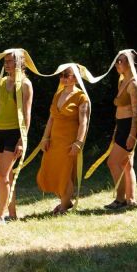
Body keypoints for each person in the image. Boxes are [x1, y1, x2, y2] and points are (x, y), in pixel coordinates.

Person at [0, 50, 34, 226]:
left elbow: (27, 114)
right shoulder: (3, 81)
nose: (6, 64)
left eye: (10, 61)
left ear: (20, 62)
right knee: (7, 176)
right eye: (5, 61)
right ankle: (12, 214)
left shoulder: (26, 84)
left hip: (14, 133)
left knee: (2, 174)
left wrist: (22, 140)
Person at [36, 65, 90, 214]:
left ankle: (64, 205)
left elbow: (83, 122)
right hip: (54, 141)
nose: (63, 78)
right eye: (61, 75)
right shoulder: (57, 95)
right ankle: (66, 202)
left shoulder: (81, 97)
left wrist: (78, 142)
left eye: (67, 75)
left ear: (76, 78)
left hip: (69, 141)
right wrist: (45, 138)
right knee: (53, 172)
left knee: (65, 174)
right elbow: (51, 118)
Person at [104, 51, 137, 211]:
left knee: (112, 162)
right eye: (116, 61)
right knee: (126, 164)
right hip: (122, 125)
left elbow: (136, 112)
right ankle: (131, 199)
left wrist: (132, 134)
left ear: (130, 63)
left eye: (121, 61)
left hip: (130, 126)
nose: (117, 64)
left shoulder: (134, 84)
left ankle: (120, 199)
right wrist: (117, 129)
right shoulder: (122, 81)